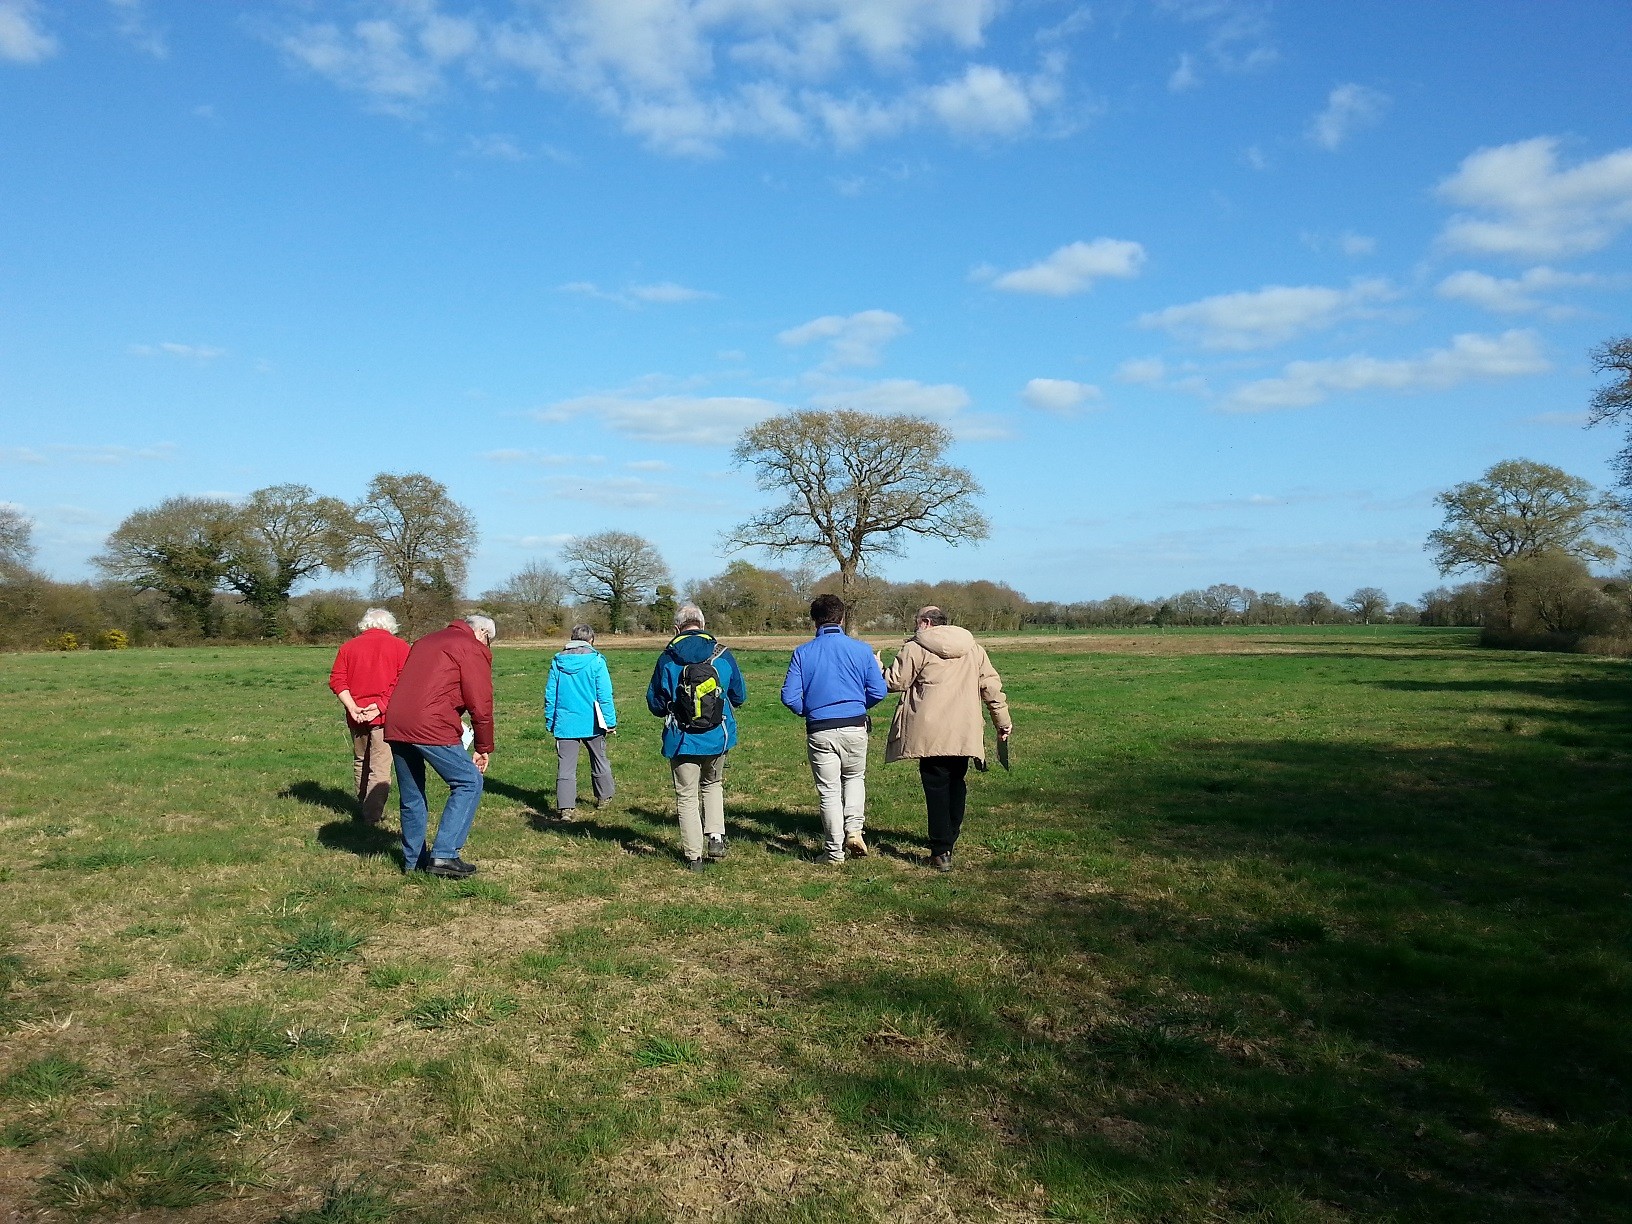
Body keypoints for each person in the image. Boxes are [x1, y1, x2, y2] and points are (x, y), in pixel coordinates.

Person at [884, 605, 1011, 872]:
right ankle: (950, 838)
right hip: (964, 729)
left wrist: (878, 668)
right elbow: (991, 686)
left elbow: (895, 682)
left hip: (929, 732)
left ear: (927, 623)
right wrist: (1003, 721)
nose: (915, 626)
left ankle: (941, 850)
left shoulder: (915, 648)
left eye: (917, 621)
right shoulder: (973, 648)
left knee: (936, 787)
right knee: (957, 782)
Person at [384, 614, 497, 878]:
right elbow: (481, 704)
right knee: (469, 781)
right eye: (489, 640)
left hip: (397, 722)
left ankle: (413, 863)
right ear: (482, 632)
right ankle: (445, 855)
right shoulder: (470, 646)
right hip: (430, 724)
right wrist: (483, 747)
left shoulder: (425, 641)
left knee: (412, 795)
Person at [780, 593, 887, 863]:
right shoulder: (862, 650)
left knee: (828, 791)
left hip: (820, 729)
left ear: (814, 621)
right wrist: (858, 706)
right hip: (854, 725)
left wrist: (810, 710)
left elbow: (789, 696)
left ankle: (833, 852)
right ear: (841, 618)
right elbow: (878, 690)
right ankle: (854, 829)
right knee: (854, 778)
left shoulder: (803, 653)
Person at [645, 604, 747, 871]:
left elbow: (654, 703)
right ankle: (715, 836)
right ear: (702, 624)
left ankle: (694, 857)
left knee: (687, 796)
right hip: (717, 736)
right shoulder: (722, 655)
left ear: (677, 629)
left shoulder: (667, 659)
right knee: (713, 784)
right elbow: (740, 696)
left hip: (682, 738)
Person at [327, 608, 411, 825]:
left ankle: (364, 806)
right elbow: (404, 682)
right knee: (380, 765)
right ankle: (372, 816)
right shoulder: (401, 647)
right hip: (385, 716)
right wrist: (381, 706)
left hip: (356, 715)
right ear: (390, 626)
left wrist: (352, 707)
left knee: (361, 760)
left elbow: (337, 680)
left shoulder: (348, 647)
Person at [544, 624, 617, 819]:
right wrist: (610, 722)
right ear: (591, 640)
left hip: (565, 722)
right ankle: (604, 797)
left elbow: (551, 694)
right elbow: (605, 695)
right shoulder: (597, 661)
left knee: (566, 766)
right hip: (593, 721)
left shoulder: (558, 661)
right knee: (599, 759)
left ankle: (566, 808)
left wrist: (550, 720)